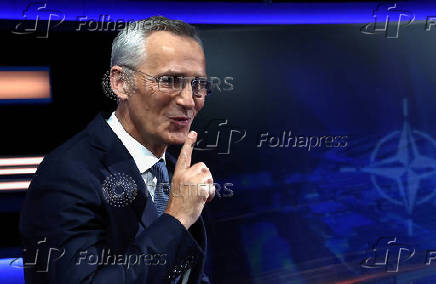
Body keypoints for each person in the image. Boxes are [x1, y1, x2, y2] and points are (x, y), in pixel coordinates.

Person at [20, 16, 214, 283]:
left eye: (198, 84)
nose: (188, 100)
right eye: (170, 80)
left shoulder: (172, 169)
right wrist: (177, 218)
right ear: (121, 83)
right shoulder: (67, 173)